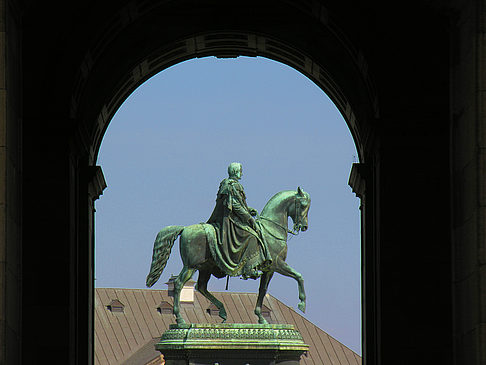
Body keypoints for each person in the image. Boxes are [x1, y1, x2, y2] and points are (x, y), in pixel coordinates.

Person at [207, 162, 272, 279]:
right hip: (230, 220)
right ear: (235, 171)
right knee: (252, 236)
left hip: (228, 217)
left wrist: (248, 210)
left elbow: (238, 204)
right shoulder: (233, 186)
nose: (241, 174)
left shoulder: (225, 184)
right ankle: (248, 268)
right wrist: (248, 218)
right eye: (240, 171)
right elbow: (236, 206)